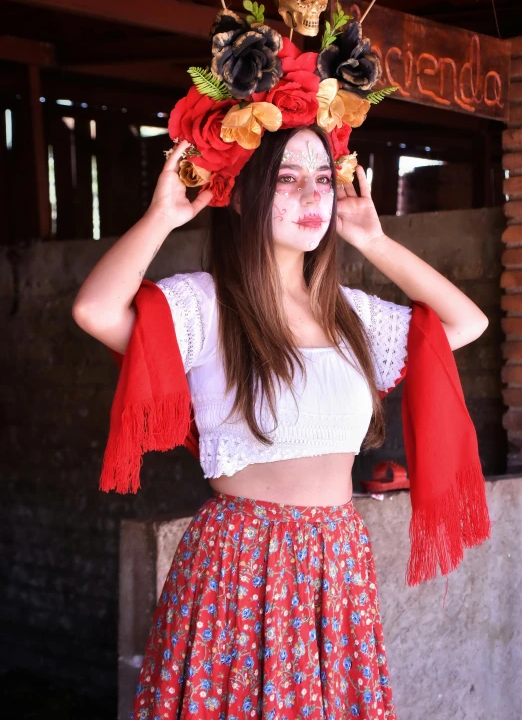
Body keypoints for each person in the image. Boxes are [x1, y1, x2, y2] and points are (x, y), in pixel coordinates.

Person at [73, 116, 488, 719]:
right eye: (287, 178)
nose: (313, 194)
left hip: (338, 558)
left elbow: (466, 325)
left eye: (322, 178)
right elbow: (94, 309)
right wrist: (161, 217)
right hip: (240, 562)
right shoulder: (203, 306)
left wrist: (373, 240)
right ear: (239, 195)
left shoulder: (354, 317)